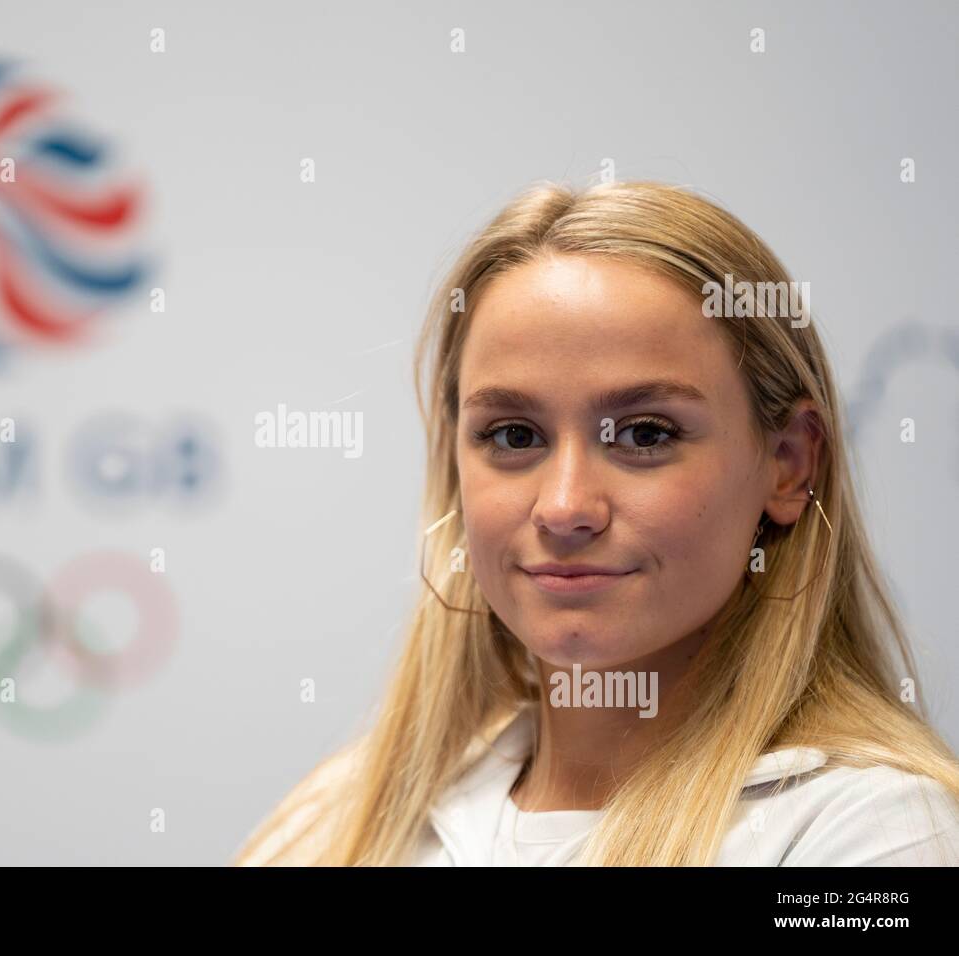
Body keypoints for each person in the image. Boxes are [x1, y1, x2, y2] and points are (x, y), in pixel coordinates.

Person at [232, 180, 959, 866]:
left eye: (644, 434)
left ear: (790, 464)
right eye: (514, 436)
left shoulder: (877, 831)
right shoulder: (335, 821)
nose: (565, 507)